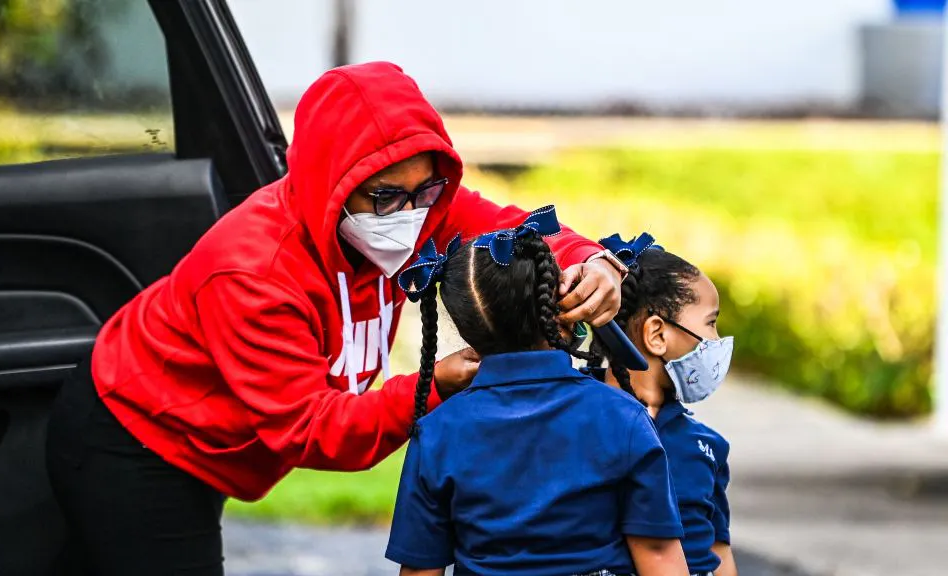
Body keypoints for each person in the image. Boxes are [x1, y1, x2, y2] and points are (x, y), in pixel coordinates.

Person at [44, 61, 628, 575]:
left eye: (427, 189)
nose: (410, 216)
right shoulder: (254, 272)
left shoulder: (421, 209)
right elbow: (312, 429)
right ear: (332, 185)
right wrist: (436, 385)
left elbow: (515, 228)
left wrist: (592, 261)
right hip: (140, 438)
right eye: (384, 197)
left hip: (216, 440)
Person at [386, 208, 689, 576]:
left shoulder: (437, 432)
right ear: (555, 308)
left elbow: (421, 570)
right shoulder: (622, 417)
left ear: (467, 332)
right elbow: (658, 554)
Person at [587, 233, 737, 576]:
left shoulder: (708, 446)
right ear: (657, 334)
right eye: (711, 323)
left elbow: (718, 551)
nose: (716, 340)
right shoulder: (580, 425)